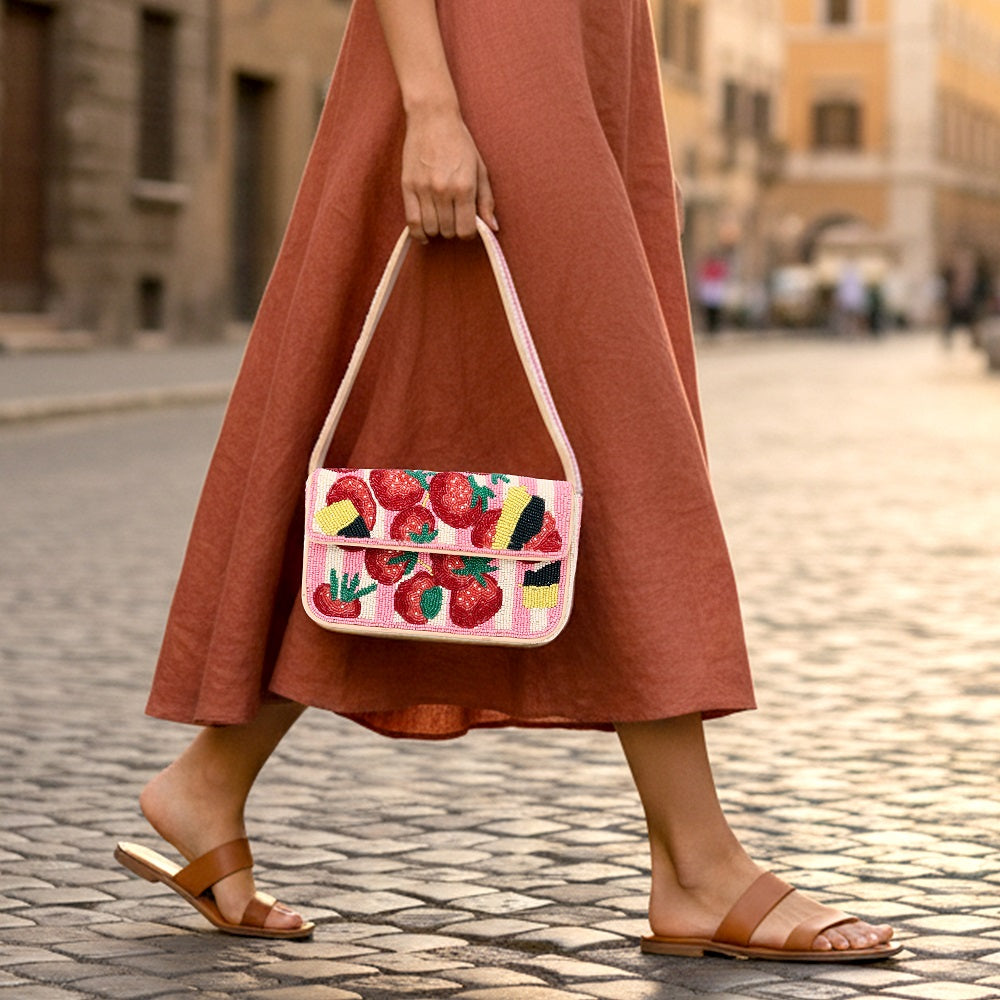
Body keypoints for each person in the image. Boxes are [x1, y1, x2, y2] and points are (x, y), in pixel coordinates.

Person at [116, 0, 899, 961]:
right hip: (491, 53)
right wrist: (433, 105)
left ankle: (210, 781)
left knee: (443, 437)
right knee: (613, 428)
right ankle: (698, 862)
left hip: (582, 47)